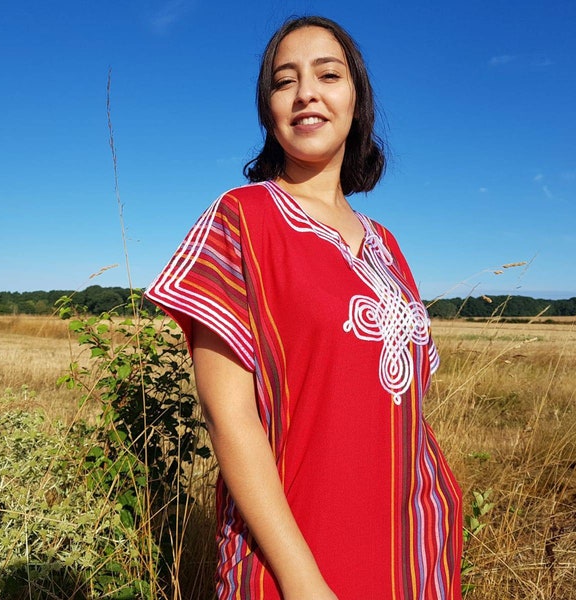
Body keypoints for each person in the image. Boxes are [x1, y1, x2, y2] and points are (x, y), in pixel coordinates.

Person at [145, 15, 462, 600]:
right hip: (294, 561)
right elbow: (228, 416)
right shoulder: (242, 220)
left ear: (356, 99)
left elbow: (403, 404)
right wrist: (302, 580)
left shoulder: (387, 244)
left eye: (328, 74)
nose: (307, 93)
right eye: (284, 81)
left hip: (411, 551)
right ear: (268, 111)